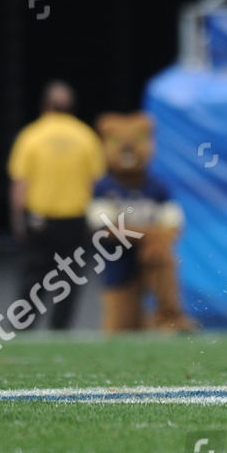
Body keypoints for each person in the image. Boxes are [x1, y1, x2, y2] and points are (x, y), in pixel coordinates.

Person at [8, 80, 104, 331]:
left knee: (33, 278)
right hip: (75, 221)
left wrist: (18, 220)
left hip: (40, 221)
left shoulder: (31, 136)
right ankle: (60, 332)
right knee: (68, 280)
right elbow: (97, 183)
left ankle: (23, 330)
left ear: (45, 106)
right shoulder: (86, 136)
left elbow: (20, 184)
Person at [91, 112, 195, 333]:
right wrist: (147, 234)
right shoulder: (104, 187)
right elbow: (103, 229)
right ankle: (151, 321)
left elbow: (174, 225)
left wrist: (152, 239)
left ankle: (170, 315)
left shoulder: (156, 187)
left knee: (161, 252)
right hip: (118, 261)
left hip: (152, 259)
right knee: (121, 327)